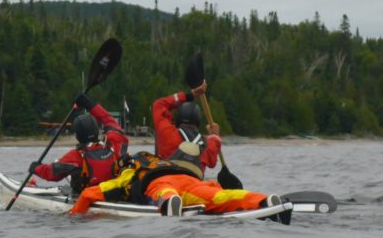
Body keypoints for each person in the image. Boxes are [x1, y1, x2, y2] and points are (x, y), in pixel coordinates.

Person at [69, 142, 291, 224]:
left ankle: (168, 202)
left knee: (163, 192)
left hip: (160, 184)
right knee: (220, 197)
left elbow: (89, 195)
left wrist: (72, 216)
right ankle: (262, 200)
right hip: (190, 182)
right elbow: (218, 187)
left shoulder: (130, 172)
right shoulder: (164, 163)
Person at [29, 93, 129, 196]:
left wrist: (35, 168)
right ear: (96, 130)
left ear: (78, 136)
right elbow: (108, 120)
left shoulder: (76, 156)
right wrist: (88, 104)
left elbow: (52, 173)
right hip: (114, 194)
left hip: (87, 198)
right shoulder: (113, 145)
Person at [152, 80, 220, 175]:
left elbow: (158, 105)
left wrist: (190, 95)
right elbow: (212, 162)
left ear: (178, 118)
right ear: (198, 121)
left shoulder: (167, 133)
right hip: (192, 186)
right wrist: (215, 135)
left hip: (167, 184)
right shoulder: (208, 144)